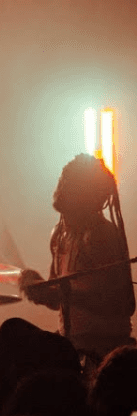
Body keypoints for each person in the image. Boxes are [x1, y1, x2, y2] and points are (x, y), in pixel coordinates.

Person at [20, 154, 135, 360]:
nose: (67, 217)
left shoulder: (103, 235)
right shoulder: (59, 233)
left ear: (92, 202)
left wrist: (61, 294)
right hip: (73, 343)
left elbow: (121, 305)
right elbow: (58, 302)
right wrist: (39, 288)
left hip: (106, 348)